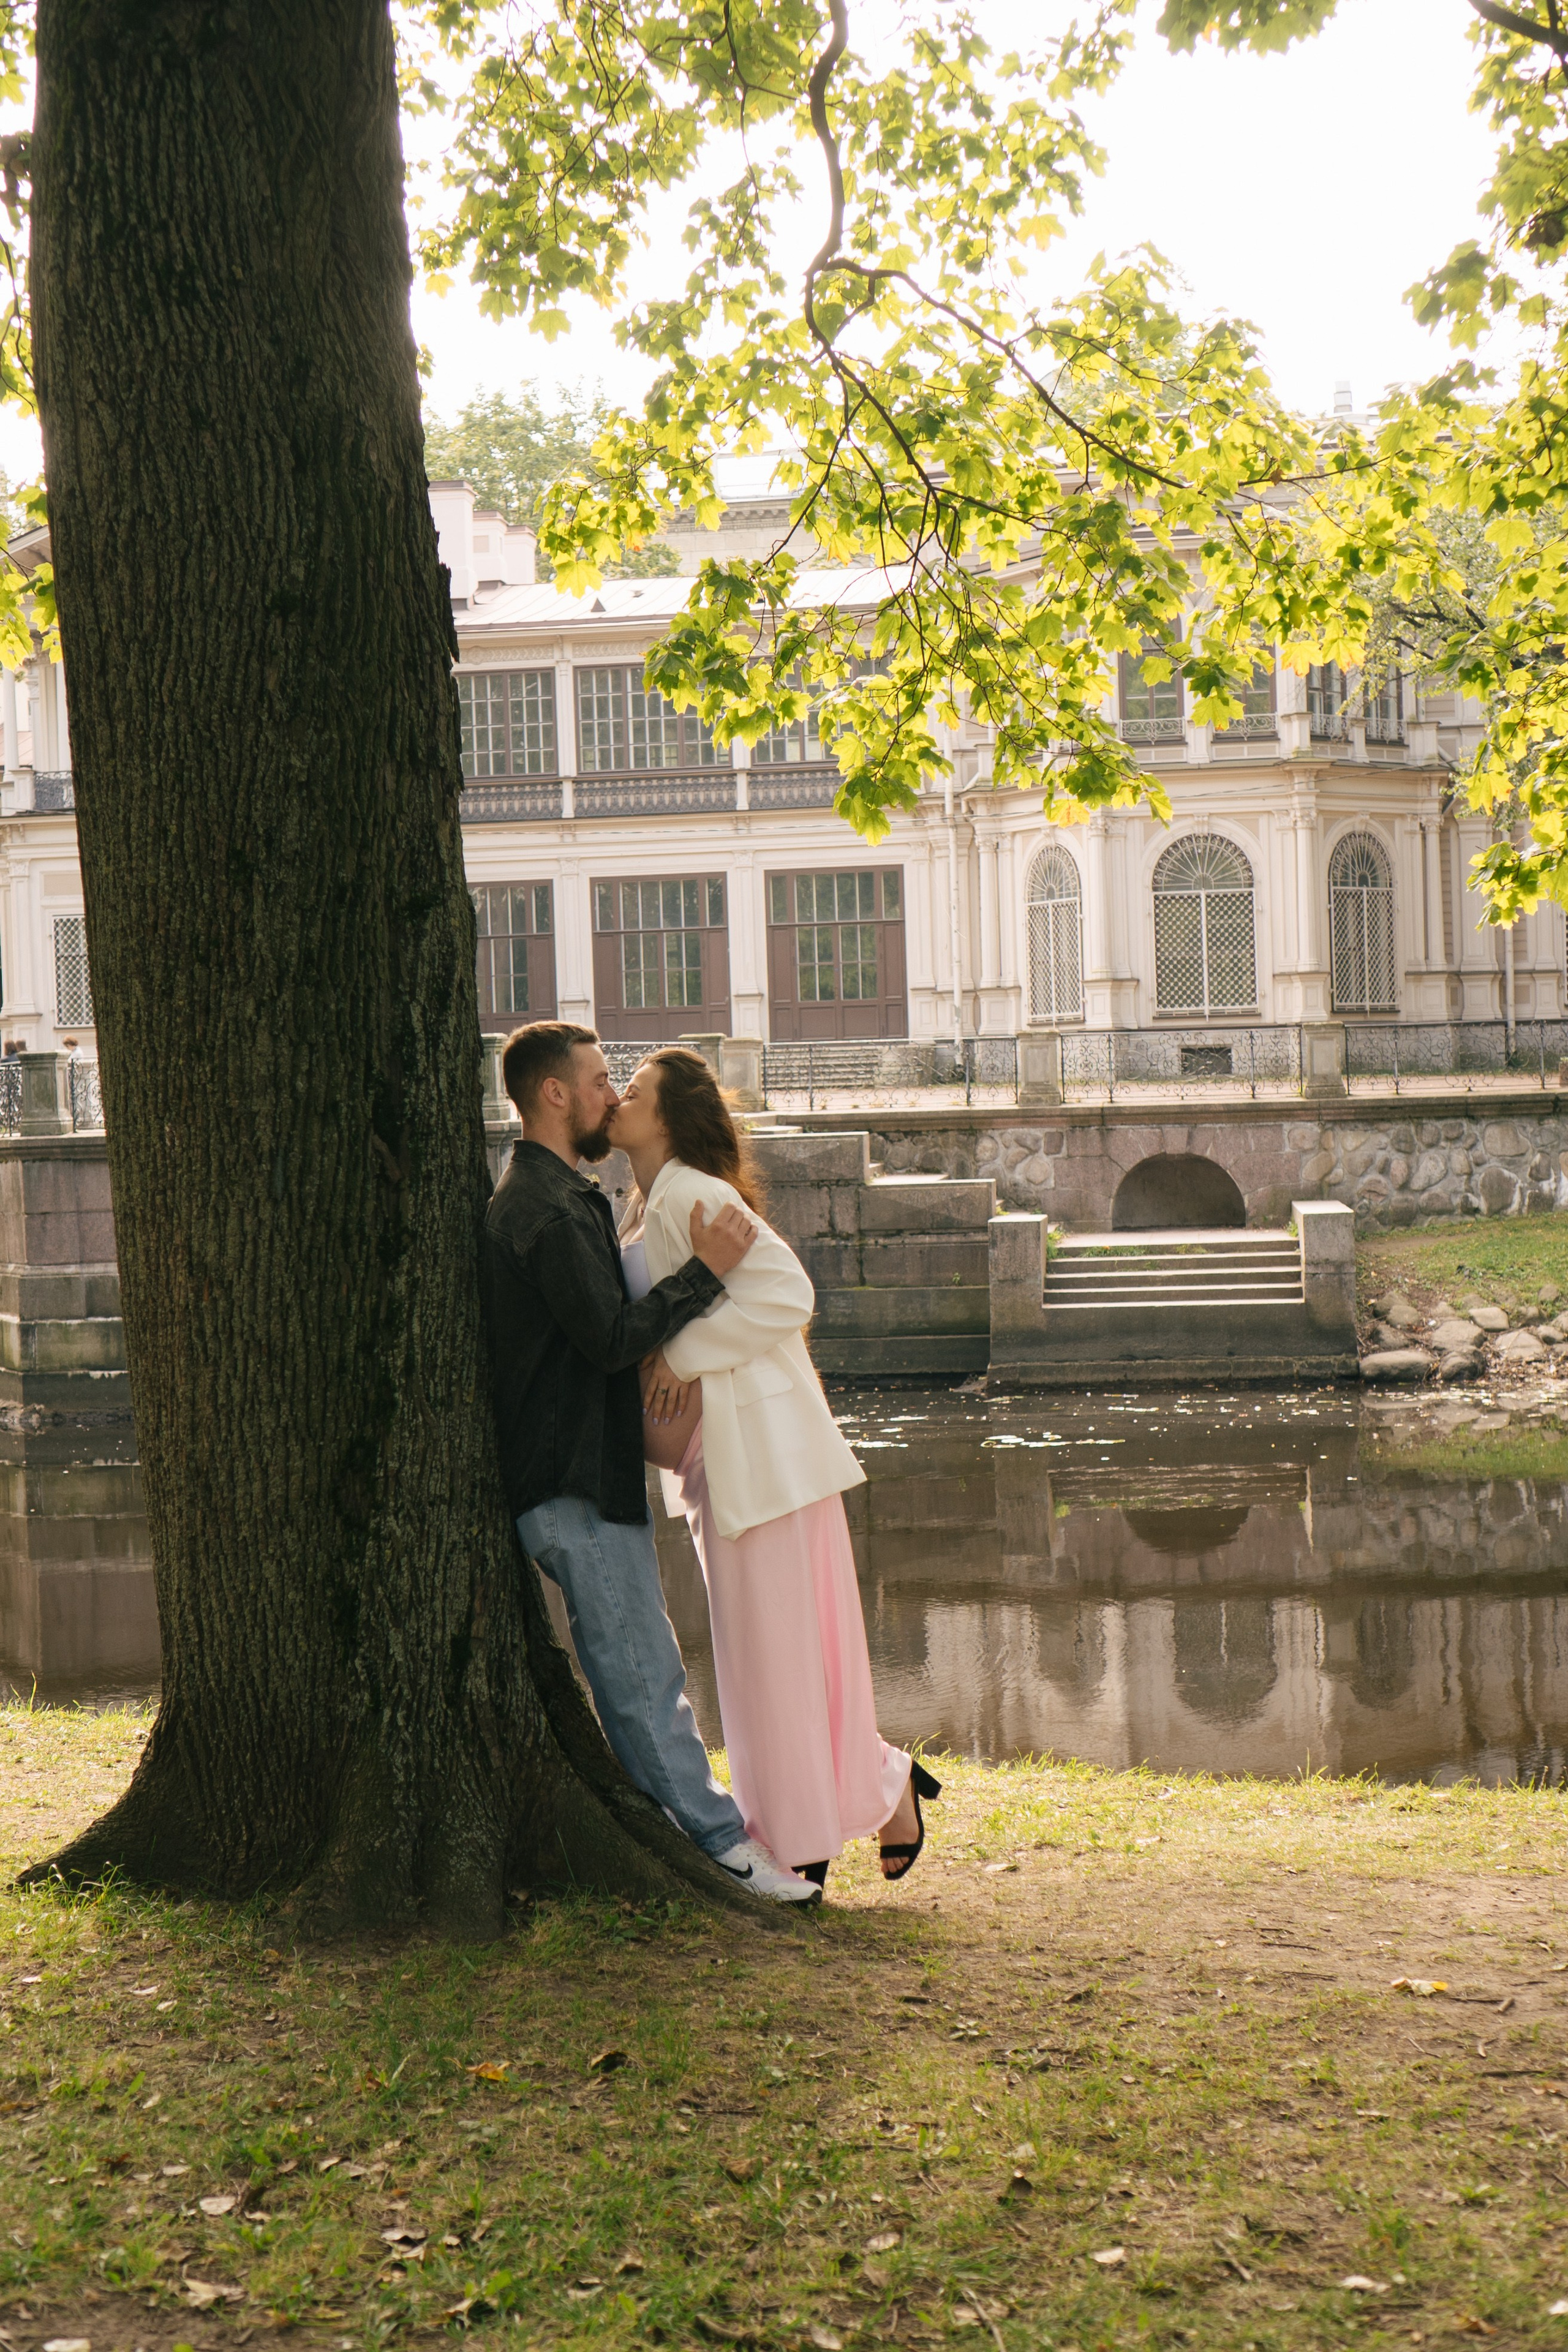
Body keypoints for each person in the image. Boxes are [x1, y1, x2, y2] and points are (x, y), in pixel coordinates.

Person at [485, 1020, 819, 1905]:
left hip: (583, 1476)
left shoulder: (562, 1195)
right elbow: (606, 1339)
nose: (610, 1095)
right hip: (571, 1482)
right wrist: (705, 1274)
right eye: (599, 1081)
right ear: (555, 1094)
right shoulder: (546, 1207)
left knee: (635, 1667)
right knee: (642, 1673)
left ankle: (677, 1836)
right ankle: (725, 1851)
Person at [611, 1047, 940, 1889]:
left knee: (780, 1658)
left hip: (757, 1456)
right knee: (773, 1657)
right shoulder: (647, 1201)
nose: (618, 1098)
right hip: (718, 1462)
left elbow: (789, 1292)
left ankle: (802, 1838)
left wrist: (680, 1360)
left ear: (673, 1115)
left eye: (635, 1090)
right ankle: (868, 1793)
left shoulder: (695, 1192)